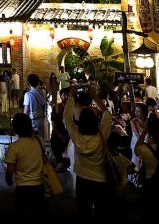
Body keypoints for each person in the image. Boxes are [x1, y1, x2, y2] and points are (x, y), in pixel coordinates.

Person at [64, 83, 113, 222]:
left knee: (83, 213)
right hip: (101, 179)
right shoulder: (101, 135)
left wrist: (72, 97)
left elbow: (67, 118)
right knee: (102, 213)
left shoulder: (76, 137)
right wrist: (95, 97)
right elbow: (107, 115)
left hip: (83, 180)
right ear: (95, 122)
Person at [4, 111, 46, 217]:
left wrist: (9, 180)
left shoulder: (14, 147)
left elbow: (9, 171)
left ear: (15, 128)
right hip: (39, 186)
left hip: (23, 188)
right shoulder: (39, 141)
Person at [22, 73, 48, 139]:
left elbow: (26, 110)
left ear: (29, 83)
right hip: (41, 119)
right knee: (41, 139)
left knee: (33, 140)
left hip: (32, 121)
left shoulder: (27, 94)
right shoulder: (42, 92)